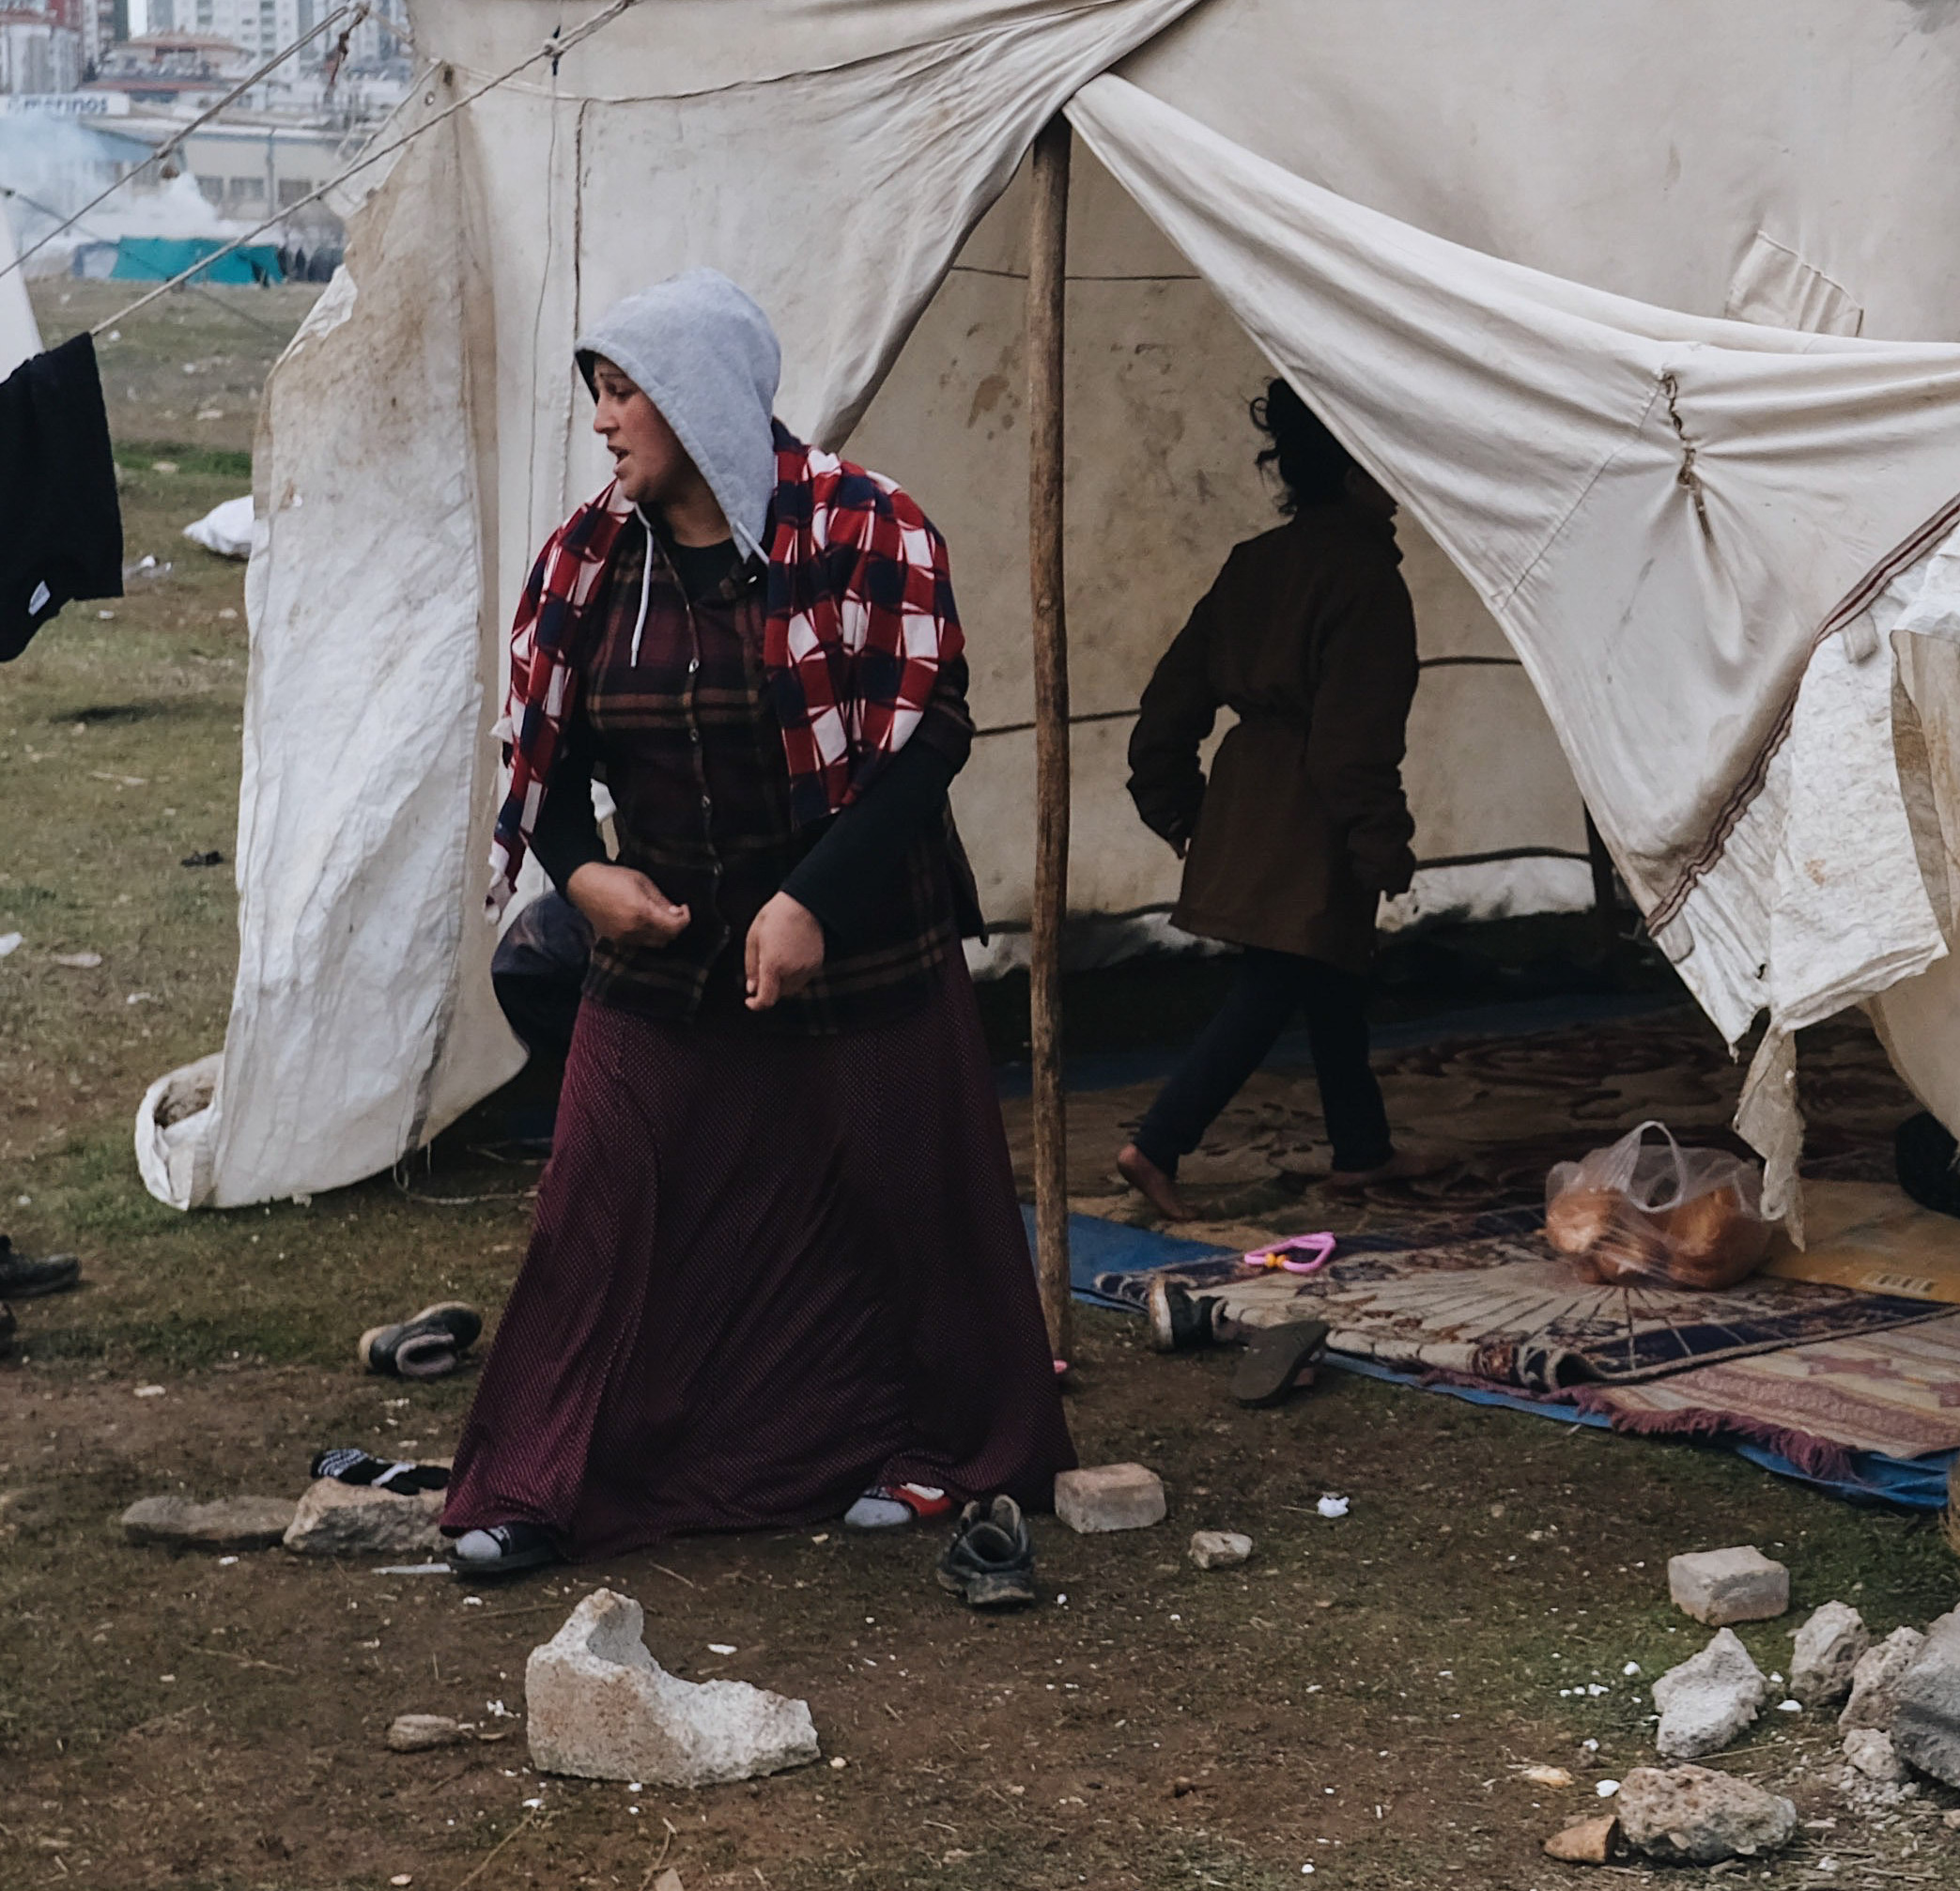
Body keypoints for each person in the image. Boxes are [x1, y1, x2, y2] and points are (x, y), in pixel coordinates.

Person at [440, 271, 1069, 1610]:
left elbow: (927, 735)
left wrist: (812, 902)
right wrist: (585, 876)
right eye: (597, 392)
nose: (604, 422)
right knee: (599, 1200)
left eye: (627, 393)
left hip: (864, 937)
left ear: (701, 398)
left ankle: (943, 1449)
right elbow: (536, 760)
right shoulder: (585, 562)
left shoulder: (863, 528)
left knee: (904, 1206)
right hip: (665, 949)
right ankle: (540, 1480)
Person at [1117, 379, 1421, 1217]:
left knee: (1328, 979)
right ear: (1354, 470)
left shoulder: (1257, 564)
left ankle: (1362, 1149)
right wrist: (1378, 842)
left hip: (1251, 798)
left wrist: (1177, 801)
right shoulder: (1365, 580)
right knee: (1278, 984)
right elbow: (1353, 744)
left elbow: (1170, 699)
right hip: (1310, 815)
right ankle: (1160, 1141)